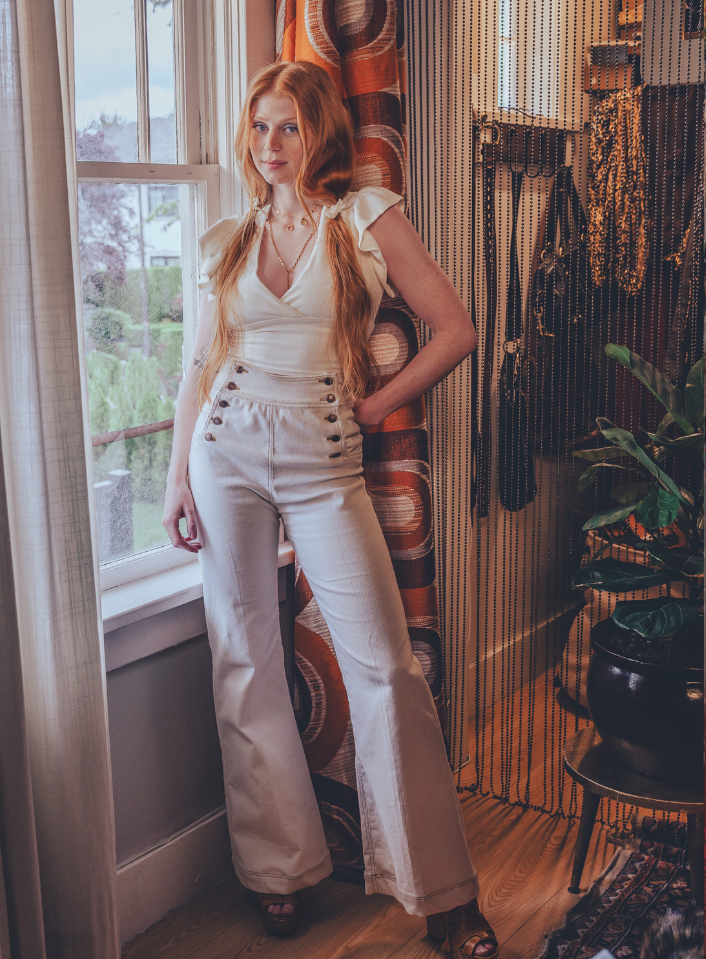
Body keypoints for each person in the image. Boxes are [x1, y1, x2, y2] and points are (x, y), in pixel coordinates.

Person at [163, 60, 498, 958]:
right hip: (223, 452)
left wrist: (377, 407)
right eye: (260, 129)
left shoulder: (365, 216)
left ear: (320, 134)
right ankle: (279, 870)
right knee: (244, 657)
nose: (271, 147)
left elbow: (457, 329)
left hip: (324, 463)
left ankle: (444, 893)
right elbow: (200, 367)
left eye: (289, 129)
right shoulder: (224, 239)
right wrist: (174, 478)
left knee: (387, 668)